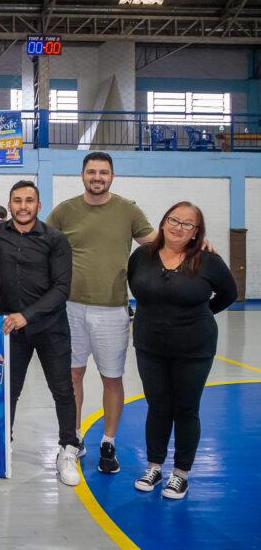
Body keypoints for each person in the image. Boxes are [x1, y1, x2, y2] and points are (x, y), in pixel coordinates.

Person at [47, 151, 156, 474]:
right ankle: (74, 438)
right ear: (82, 175)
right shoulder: (65, 211)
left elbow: (155, 241)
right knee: (72, 376)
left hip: (112, 310)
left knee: (112, 377)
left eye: (103, 172)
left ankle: (108, 441)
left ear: (112, 176)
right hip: (70, 307)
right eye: (92, 171)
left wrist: (196, 242)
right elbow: (38, 240)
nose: (97, 177)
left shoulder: (128, 210)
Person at [128, 202, 236, 499]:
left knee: (186, 409)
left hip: (194, 348)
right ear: (163, 223)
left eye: (188, 224)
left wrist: (199, 316)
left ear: (196, 233)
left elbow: (229, 293)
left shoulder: (208, 261)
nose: (179, 227)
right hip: (150, 345)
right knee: (157, 406)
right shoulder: (141, 256)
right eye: (174, 220)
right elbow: (138, 289)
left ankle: (181, 474)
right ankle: (154, 466)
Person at [0, 181, 79, 486]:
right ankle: (4, 448)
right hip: (11, 329)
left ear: (39, 206)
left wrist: (26, 316)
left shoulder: (55, 240)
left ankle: (67, 448)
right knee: (8, 392)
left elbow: (62, 289)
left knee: (62, 390)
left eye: (29, 200)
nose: (23, 206)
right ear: (9, 204)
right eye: (17, 200)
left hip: (50, 327)